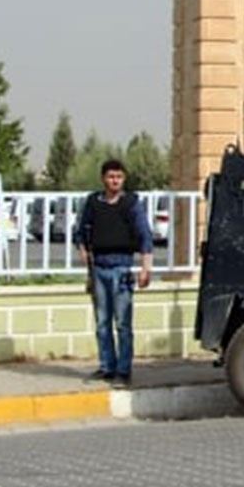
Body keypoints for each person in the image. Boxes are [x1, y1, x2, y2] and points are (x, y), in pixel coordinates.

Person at [76, 159, 153, 387]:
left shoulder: (131, 204)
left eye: (118, 177)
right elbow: (81, 232)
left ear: (124, 178)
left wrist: (145, 268)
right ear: (103, 178)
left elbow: (144, 236)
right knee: (102, 322)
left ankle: (123, 370)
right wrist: (84, 254)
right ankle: (107, 366)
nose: (115, 181)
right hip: (99, 268)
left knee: (122, 324)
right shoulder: (93, 202)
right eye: (111, 177)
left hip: (121, 268)